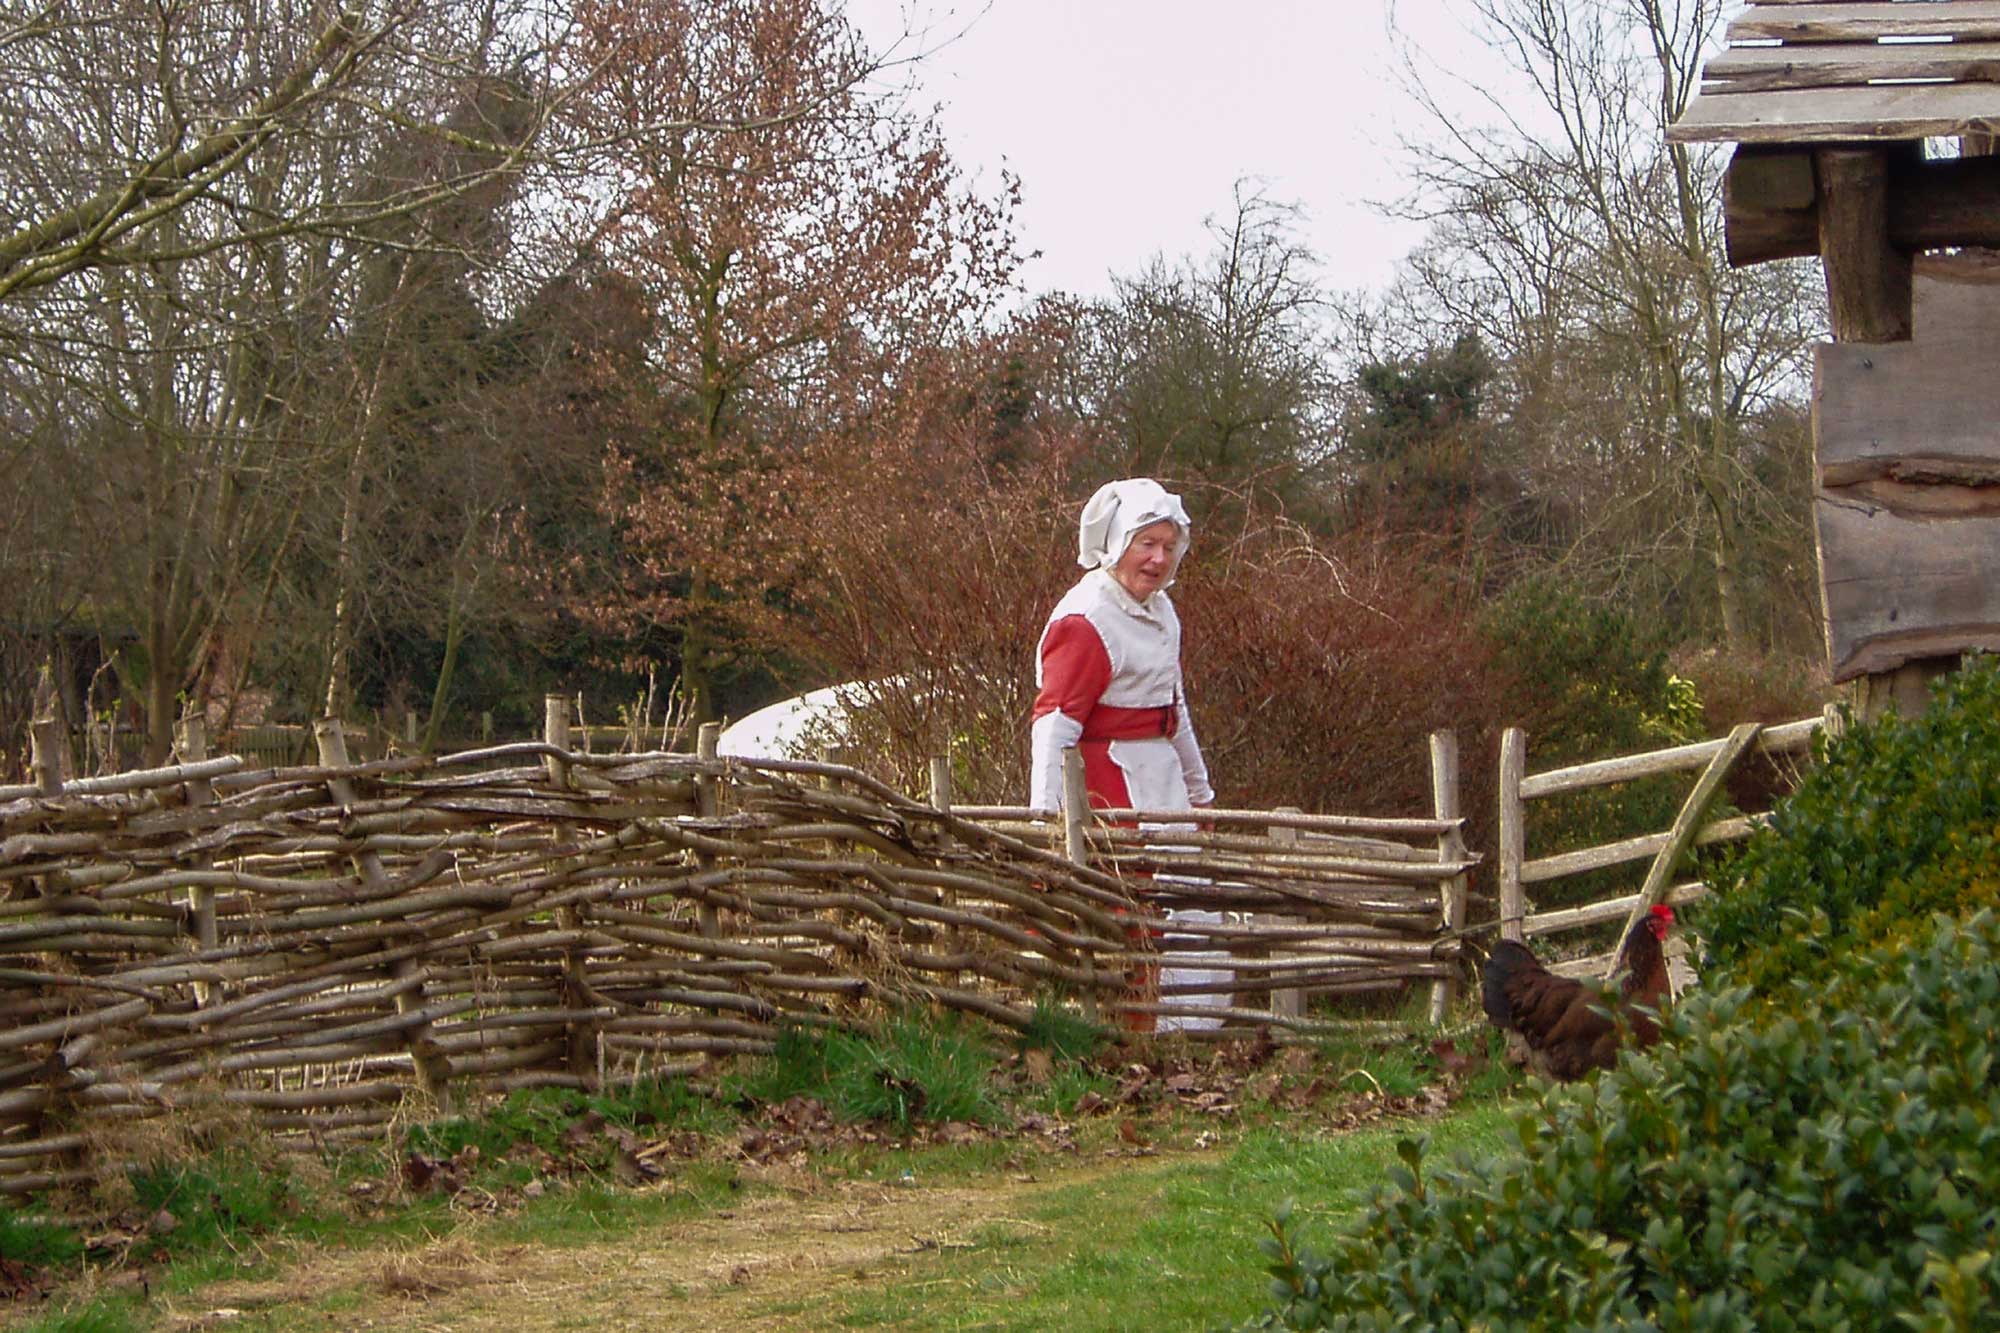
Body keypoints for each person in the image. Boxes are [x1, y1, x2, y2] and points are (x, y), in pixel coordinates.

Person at [1029, 477, 1227, 1031]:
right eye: (1147, 545)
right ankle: (1131, 1034)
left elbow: (1175, 708)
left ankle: (1188, 1031)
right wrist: (1047, 825)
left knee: (1183, 899)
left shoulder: (1163, 613)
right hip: (1110, 786)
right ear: (1120, 543)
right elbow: (1054, 727)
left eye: (1168, 546)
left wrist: (1199, 793)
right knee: (1129, 908)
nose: (1158, 559)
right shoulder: (1087, 619)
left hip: (1160, 780)